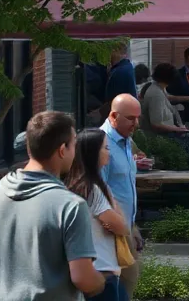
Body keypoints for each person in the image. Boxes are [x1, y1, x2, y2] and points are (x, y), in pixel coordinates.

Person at [0, 111, 105, 301]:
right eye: (74, 145)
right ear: (62, 150)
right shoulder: (71, 206)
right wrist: (101, 280)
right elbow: (83, 278)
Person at [66, 128, 132, 301]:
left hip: (93, 268)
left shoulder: (75, 185)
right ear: (93, 153)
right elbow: (121, 227)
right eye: (106, 148)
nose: (109, 153)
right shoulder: (92, 189)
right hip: (101, 272)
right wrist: (112, 201)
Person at [100, 94, 143, 295]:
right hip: (110, 229)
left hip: (125, 226)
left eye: (137, 118)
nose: (136, 123)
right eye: (131, 118)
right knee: (125, 283)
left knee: (127, 283)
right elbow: (98, 192)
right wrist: (117, 227)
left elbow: (126, 187)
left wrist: (133, 227)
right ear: (114, 116)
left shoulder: (125, 140)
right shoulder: (101, 145)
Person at [139, 63, 188, 135]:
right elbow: (156, 124)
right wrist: (178, 129)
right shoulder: (156, 94)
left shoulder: (160, 88)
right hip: (158, 140)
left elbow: (168, 99)